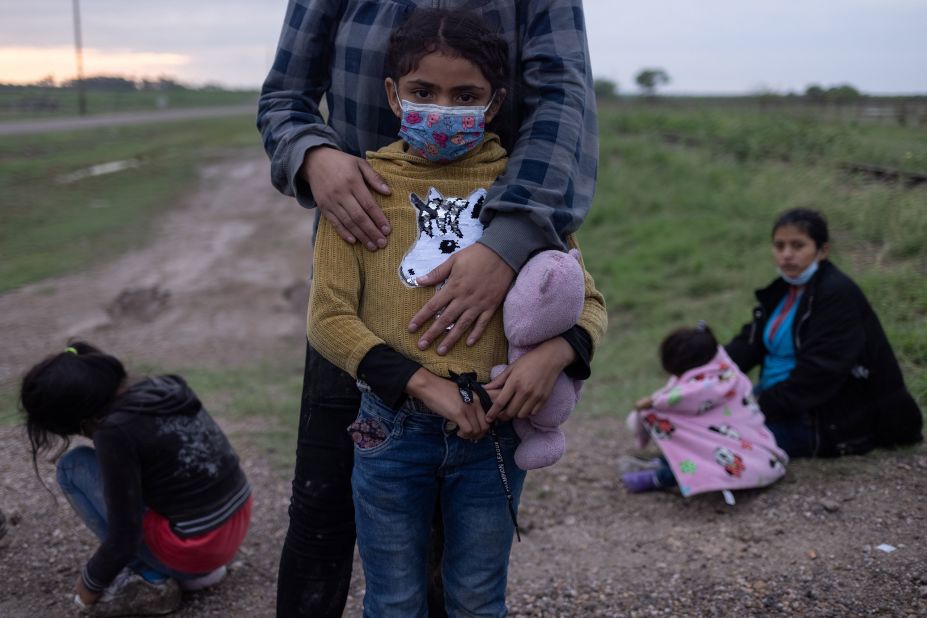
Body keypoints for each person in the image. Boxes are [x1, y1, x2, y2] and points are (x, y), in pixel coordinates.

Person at [256, 1, 599, 615]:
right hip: (364, 274)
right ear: (395, 94)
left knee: (470, 582)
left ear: (492, 103)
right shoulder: (372, 184)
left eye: (466, 96)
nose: (442, 109)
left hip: (506, 267)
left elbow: (562, 106)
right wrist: (315, 156)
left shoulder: (506, 185)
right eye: (422, 92)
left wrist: (508, 246)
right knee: (326, 513)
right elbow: (285, 98)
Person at [19, 342, 252, 617]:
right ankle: (199, 569)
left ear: (81, 420)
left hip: (194, 552)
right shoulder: (167, 387)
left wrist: (87, 588)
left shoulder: (114, 430)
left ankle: (152, 576)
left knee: (73, 466)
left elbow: (124, 536)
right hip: (236, 523)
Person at [725, 208, 923, 457]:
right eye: (779, 246)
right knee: (699, 422)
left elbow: (819, 372)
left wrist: (758, 406)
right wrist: (705, 371)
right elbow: (750, 342)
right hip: (776, 399)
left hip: (822, 419)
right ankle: (672, 466)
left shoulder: (836, 295)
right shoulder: (784, 290)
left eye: (798, 246)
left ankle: (667, 475)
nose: (786, 255)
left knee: (724, 441)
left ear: (823, 251)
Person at [622, 324, 787, 498]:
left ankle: (658, 478)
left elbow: (677, 398)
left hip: (747, 465)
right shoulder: (727, 372)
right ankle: (661, 462)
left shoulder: (703, 388)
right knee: (692, 448)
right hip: (763, 457)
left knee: (694, 462)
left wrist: (652, 403)